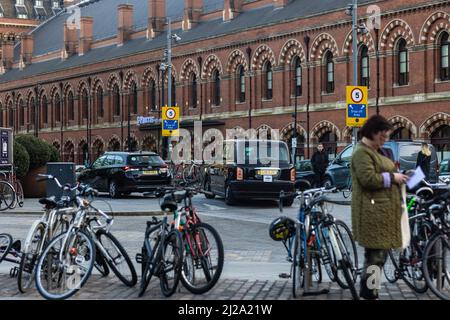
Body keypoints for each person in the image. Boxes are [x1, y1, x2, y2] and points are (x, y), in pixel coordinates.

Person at [351, 115, 409, 300]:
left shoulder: (377, 151)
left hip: (382, 212)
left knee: (379, 256)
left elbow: (385, 172)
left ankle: (371, 291)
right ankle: (369, 294)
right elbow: (368, 179)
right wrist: (393, 178)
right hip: (371, 213)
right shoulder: (362, 152)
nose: (385, 140)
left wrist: (400, 176)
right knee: (375, 257)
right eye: (383, 136)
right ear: (374, 132)